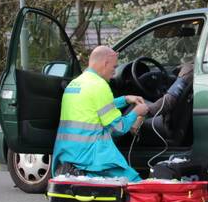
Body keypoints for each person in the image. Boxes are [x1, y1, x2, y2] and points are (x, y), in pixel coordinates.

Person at [52, 46, 150, 181]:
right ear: (105, 63)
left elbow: (94, 106)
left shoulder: (75, 83)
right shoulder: (99, 85)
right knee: (135, 183)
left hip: (68, 156)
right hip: (92, 159)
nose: (114, 72)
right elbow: (119, 128)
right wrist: (137, 112)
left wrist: (125, 99)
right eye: (114, 67)